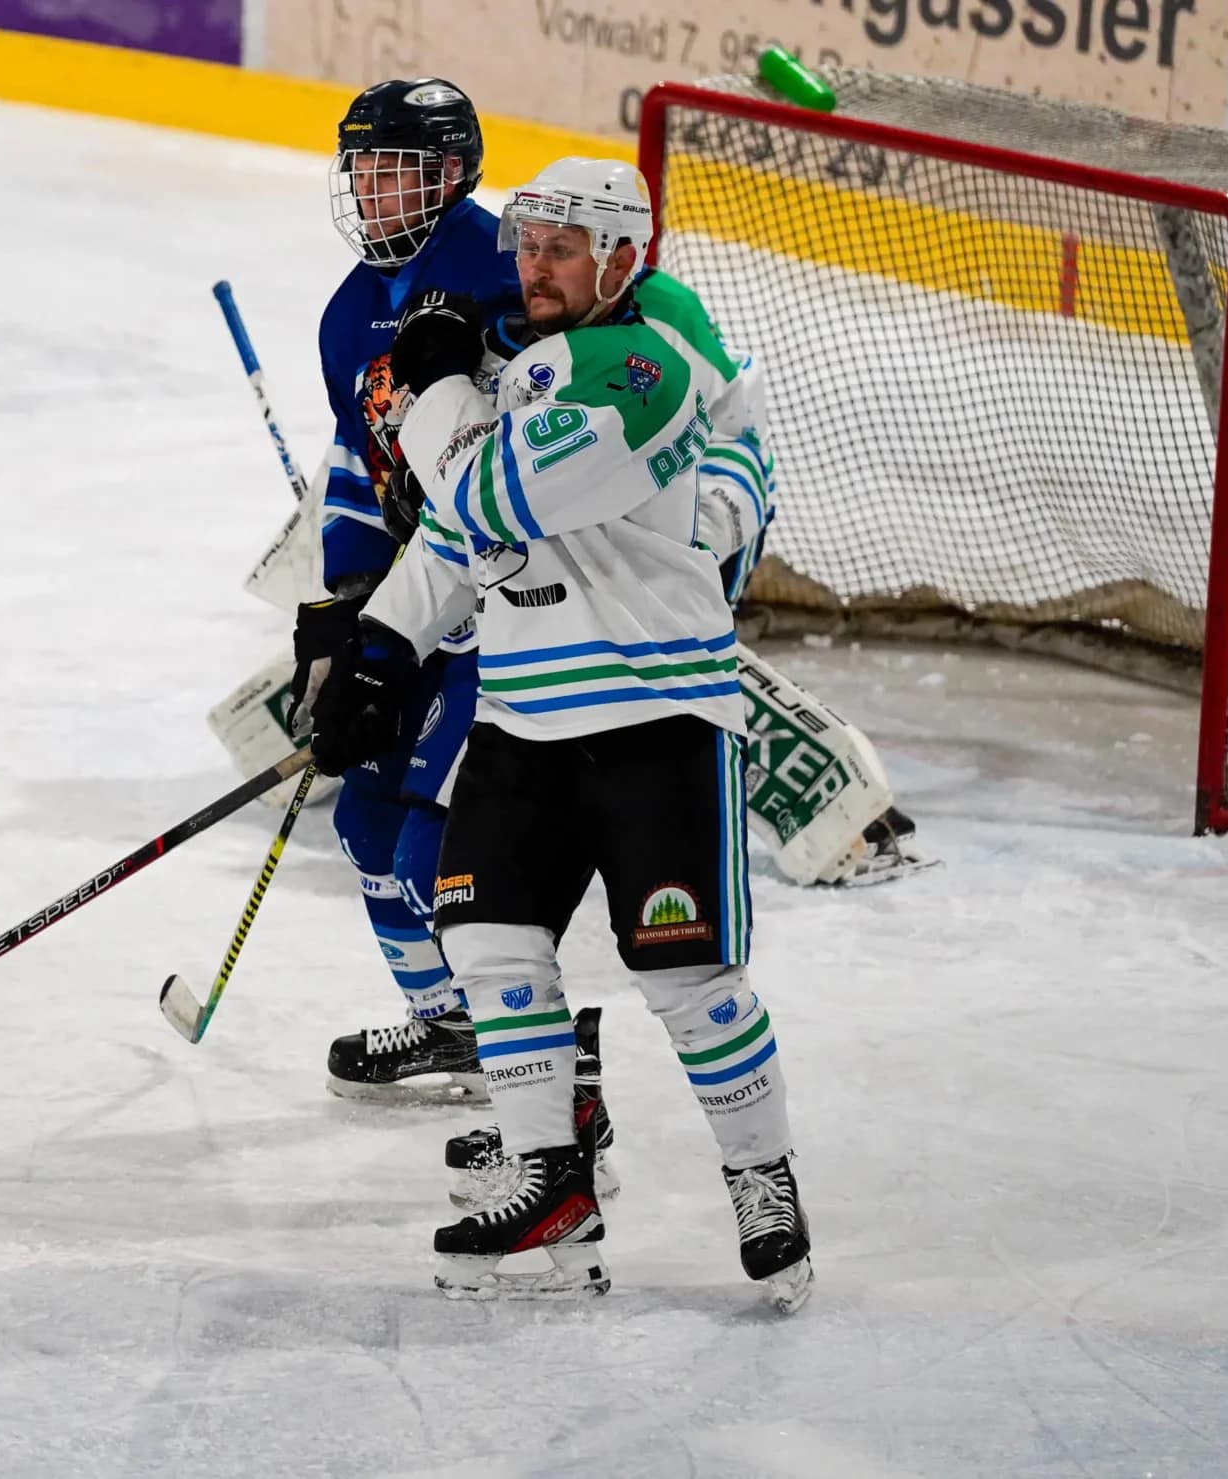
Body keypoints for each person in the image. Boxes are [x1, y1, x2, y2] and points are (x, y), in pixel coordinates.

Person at [308, 158, 815, 1313]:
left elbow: (489, 499)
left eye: (563, 248)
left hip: (657, 714)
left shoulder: (643, 369)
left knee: (690, 982)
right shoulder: (534, 363)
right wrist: (378, 649)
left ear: (623, 260)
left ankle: (761, 1175)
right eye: (527, 245)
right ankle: (552, 1179)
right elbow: (455, 546)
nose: (532, 267)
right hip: (527, 714)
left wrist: (435, 388)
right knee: (493, 953)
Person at [290, 78, 527, 1103]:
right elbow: (356, 467)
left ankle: (527, 1054)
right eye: (367, 171)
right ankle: (447, 1027)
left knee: (437, 837)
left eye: (403, 171)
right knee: (365, 826)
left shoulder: (501, 263)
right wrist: (350, 597)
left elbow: (539, 445)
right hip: (419, 603)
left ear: (455, 173)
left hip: (516, 605)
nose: (379, 192)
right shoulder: (348, 317)